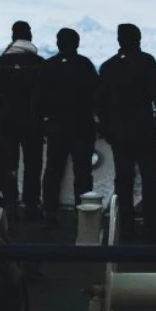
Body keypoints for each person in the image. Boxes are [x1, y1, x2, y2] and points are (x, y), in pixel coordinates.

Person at [95, 23, 156, 241]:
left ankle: (126, 226)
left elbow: (99, 102)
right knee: (150, 178)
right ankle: (150, 226)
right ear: (139, 39)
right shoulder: (146, 62)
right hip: (144, 129)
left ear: (119, 40)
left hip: (119, 132)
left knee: (123, 178)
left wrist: (107, 129)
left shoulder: (108, 66)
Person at [33, 28, 99, 226]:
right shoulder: (85, 65)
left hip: (56, 125)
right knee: (83, 171)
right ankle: (83, 213)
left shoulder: (48, 66)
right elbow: (97, 96)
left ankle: (49, 211)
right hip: (82, 125)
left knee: (53, 169)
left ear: (58, 43)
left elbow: (37, 99)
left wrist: (41, 124)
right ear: (77, 44)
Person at [0, 20, 45, 221]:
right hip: (33, 122)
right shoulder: (39, 63)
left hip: (5, 122)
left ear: (13, 37)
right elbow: (46, 95)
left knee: (9, 164)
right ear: (30, 36)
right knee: (33, 164)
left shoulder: (0, 62)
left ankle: (10, 203)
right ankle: (31, 204)